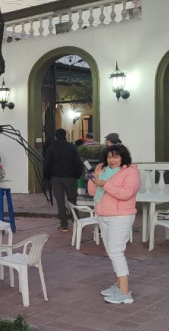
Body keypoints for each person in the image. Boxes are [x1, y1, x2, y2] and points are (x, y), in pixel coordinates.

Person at [88, 144, 141, 304]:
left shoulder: (131, 172)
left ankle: (125, 292)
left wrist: (105, 184)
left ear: (123, 157)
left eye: (116, 156)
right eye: (109, 156)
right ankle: (118, 285)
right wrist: (96, 176)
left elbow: (126, 193)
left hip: (120, 216)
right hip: (103, 215)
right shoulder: (104, 171)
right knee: (112, 252)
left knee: (116, 252)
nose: (112, 160)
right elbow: (92, 192)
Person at [43, 128, 83, 232]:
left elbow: (47, 164)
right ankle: (77, 222)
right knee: (72, 200)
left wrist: (47, 177)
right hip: (70, 178)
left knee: (60, 201)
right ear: (65, 135)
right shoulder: (71, 147)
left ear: (56, 136)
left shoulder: (51, 148)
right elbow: (78, 162)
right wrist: (77, 175)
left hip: (56, 178)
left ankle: (63, 225)